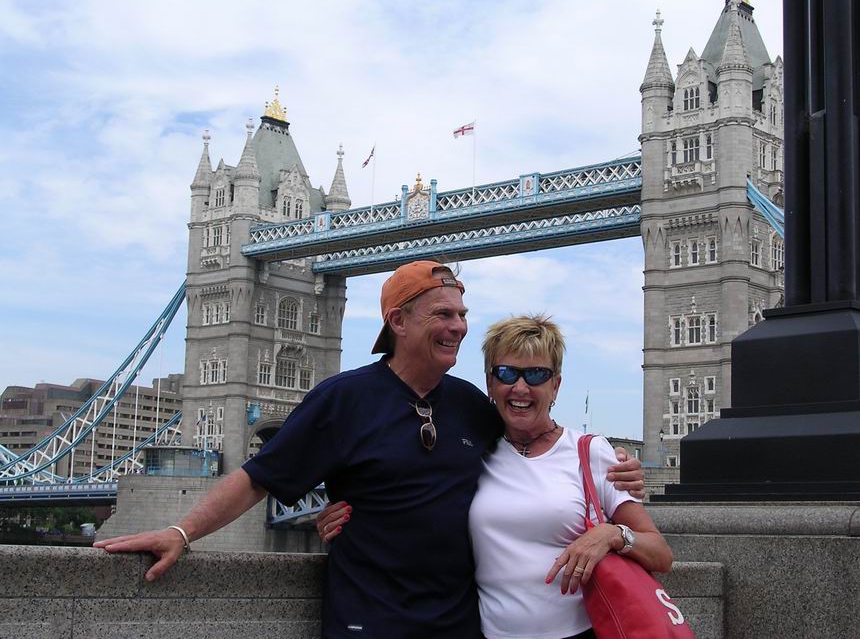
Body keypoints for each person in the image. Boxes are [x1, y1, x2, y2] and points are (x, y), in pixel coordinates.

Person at [95, 261, 644, 638]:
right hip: (370, 621)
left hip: (459, 624)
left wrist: (610, 467)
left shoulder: (471, 405)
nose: (458, 327)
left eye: (461, 314)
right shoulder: (343, 399)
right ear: (397, 322)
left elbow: (536, 445)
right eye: (443, 315)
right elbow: (259, 477)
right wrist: (181, 533)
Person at [320, 314, 669, 639]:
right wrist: (353, 513)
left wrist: (612, 535)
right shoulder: (474, 450)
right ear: (490, 383)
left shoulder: (589, 452)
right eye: (506, 373)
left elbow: (660, 553)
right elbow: (413, 491)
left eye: (536, 375)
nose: (520, 387)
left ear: (556, 385)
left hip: (579, 633)